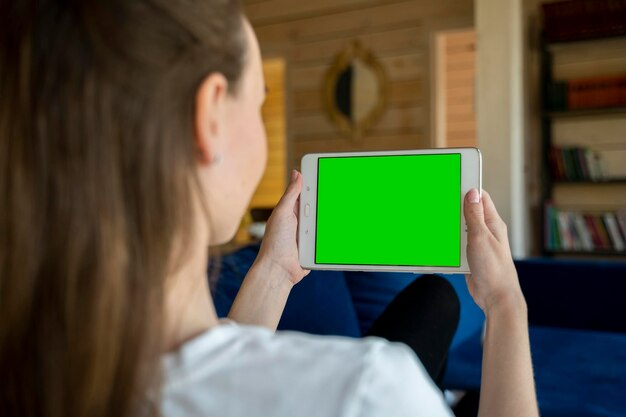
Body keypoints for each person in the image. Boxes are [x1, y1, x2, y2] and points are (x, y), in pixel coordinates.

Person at [0, 1, 539, 417]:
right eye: (259, 100)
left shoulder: (35, 374)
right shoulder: (369, 391)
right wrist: (507, 306)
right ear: (209, 116)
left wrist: (275, 271)